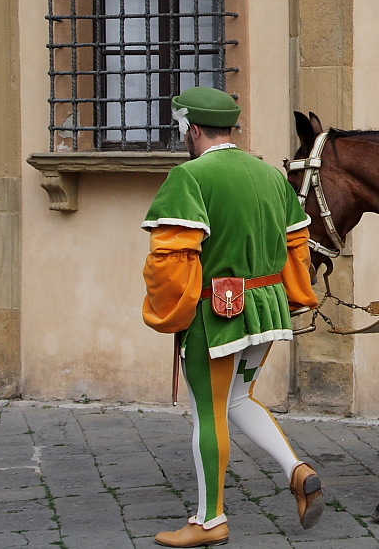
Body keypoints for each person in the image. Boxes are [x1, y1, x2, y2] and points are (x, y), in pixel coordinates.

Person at [141, 87, 322, 547]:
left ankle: (209, 520)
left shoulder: (189, 176)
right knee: (238, 399)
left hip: (215, 315)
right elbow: (297, 247)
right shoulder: (269, 174)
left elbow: (170, 260)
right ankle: (296, 472)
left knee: (208, 412)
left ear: (193, 129)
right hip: (266, 310)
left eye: (183, 129)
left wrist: (170, 311)